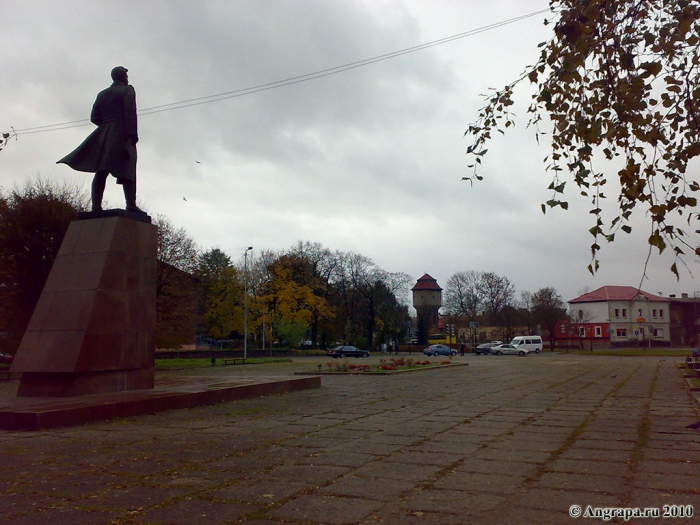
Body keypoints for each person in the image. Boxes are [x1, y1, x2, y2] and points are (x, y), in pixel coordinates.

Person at [58, 66, 143, 213]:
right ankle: (131, 204)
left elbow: (94, 117)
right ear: (123, 77)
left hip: (104, 134)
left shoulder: (102, 94)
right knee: (127, 168)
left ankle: (96, 205)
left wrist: (106, 126)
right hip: (122, 133)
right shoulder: (128, 90)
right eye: (126, 76)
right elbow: (130, 113)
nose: (127, 79)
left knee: (102, 170)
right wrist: (133, 135)